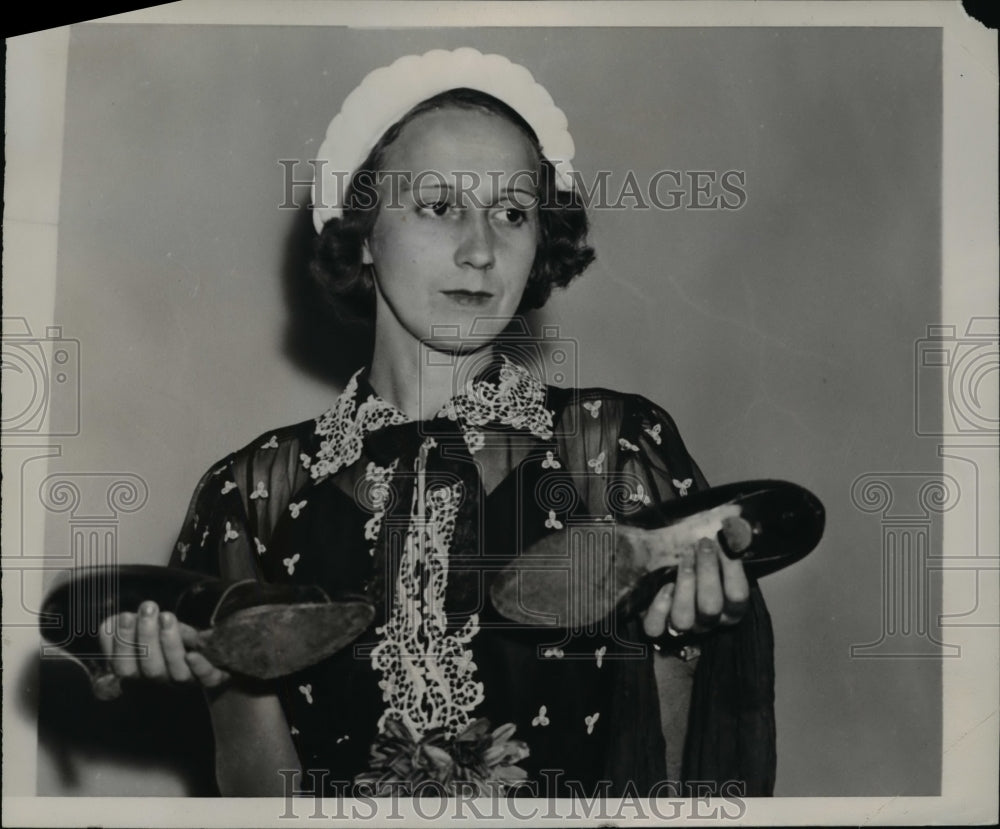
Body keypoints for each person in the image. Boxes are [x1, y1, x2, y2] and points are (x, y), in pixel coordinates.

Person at [99, 48, 775, 798]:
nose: (481, 250)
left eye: (512, 214)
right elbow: (267, 798)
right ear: (361, 233)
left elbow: (671, 776)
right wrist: (225, 677)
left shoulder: (610, 445)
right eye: (439, 205)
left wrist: (683, 640)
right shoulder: (251, 494)